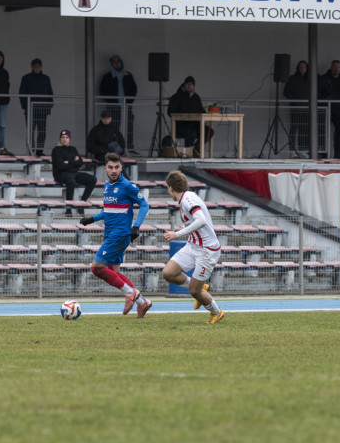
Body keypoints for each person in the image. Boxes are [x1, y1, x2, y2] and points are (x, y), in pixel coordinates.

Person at [78, 153, 151, 317]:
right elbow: (110, 210)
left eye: (117, 167)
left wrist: (136, 227)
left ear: (121, 167)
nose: (114, 170)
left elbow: (144, 205)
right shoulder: (107, 186)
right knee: (114, 272)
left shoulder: (128, 186)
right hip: (110, 233)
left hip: (120, 234)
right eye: (110, 167)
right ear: (105, 169)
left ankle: (130, 293)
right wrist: (92, 219)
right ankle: (143, 302)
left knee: (96, 268)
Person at [161, 170, 225, 324]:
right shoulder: (187, 197)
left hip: (207, 250)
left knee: (195, 291)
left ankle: (216, 312)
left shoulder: (187, 200)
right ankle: (203, 288)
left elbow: (201, 220)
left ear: (170, 188)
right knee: (168, 273)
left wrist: (176, 234)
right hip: (193, 246)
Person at [99, 54, 138, 154]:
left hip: (126, 105)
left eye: (118, 61)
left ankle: (129, 147)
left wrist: (129, 101)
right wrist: (111, 101)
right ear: (111, 64)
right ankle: (114, 147)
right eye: (114, 62)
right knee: (114, 126)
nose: (116, 63)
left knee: (129, 125)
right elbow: (102, 90)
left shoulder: (128, 75)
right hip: (114, 106)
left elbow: (134, 89)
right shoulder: (108, 76)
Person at [51, 129, 95, 215]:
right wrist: (74, 162)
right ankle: (69, 209)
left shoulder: (73, 149)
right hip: (60, 174)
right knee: (71, 181)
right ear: (60, 139)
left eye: (67, 137)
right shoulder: (56, 150)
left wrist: (69, 162)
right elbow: (60, 166)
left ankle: (81, 204)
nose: (64, 139)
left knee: (92, 179)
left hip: (73, 173)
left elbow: (80, 163)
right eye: (63, 137)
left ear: (69, 139)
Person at [18, 57, 54, 156]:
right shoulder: (26, 78)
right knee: (30, 132)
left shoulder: (46, 78)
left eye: (38, 66)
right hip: (30, 110)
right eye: (35, 66)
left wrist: (49, 106)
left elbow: (50, 93)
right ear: (32, 67)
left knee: (42, 132)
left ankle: (39, 151)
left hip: (42, 109)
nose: (37, 68)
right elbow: (22, 93)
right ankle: (31, 150)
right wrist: (26, 107)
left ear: (41, 67)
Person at [168, 75, 212, 155]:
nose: (189, 86)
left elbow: (201, 111)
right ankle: (189, 152)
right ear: (184, 85)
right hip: (182, 125)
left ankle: (196, 149)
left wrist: (209, 112)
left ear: (194, 86)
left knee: (209, 131)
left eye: (191, 84)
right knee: (191, 133)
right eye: (188, 84)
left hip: (195, 124)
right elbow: (170, 112)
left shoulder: (196, 97)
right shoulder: (176, 97)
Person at [318, 59, 340, 158]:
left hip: (338, 108)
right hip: (326, 108)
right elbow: (319, 93)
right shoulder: (323, 79)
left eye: (338, 67)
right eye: (334, 67)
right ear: (331, 67)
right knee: (323, 130)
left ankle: (337, 152)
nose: (336, 69)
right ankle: (323, 152)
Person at [283, 61, 309, 158]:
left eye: (304, 67)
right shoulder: (292, 78)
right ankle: (292, 151)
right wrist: (294, 100)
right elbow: (286, 92)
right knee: (294, 128)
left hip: (306, 108)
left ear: (307, 68)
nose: (302, 68)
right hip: (295, 107)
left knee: (304, 129)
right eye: (300, 67)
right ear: (298, 68)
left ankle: (303, 150)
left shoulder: (309, 79)